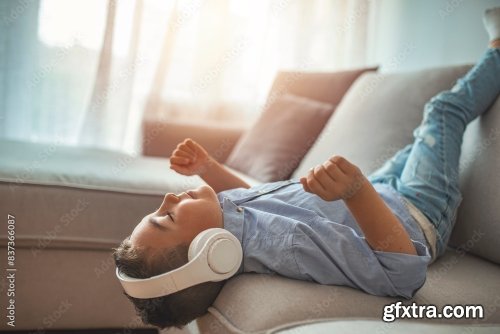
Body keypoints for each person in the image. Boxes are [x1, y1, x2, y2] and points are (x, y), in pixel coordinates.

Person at [113, 8, 500, 330]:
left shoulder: (228, 220)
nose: (165, 199)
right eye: (167, 218)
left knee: (423, 135)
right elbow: (403, 274)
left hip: (389, 191)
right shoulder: (290, 248)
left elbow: (254, 191)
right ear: (209, 251)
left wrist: (208, 167)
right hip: (420, 212)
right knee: (441, 113)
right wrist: (356, 192)